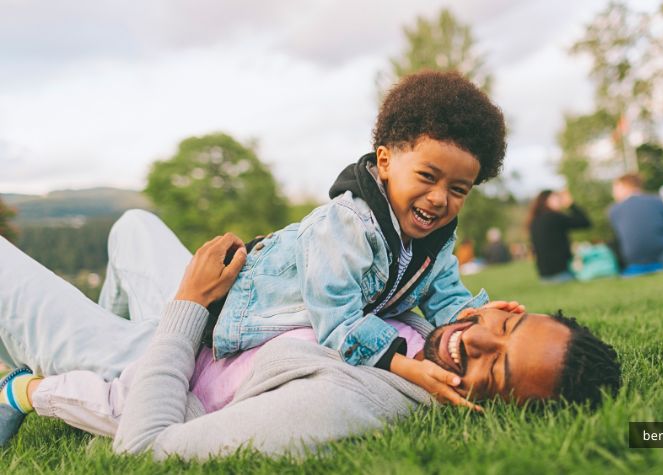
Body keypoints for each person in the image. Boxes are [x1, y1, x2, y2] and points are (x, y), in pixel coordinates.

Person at [0, 212, 622, 458]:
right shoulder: (435, 329)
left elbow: (146, 449)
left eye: (499, 371)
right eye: (506, 325)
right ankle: (99, 332)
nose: (478, 342)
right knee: (133, 225)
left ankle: (79, 363)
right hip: (211, 329)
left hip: (162, 363)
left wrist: (187, 305)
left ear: (496, 410)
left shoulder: (347, 404)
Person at [205, 70, 511, 408]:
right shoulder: (347, 224)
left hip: (313, 323)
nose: (439, 199)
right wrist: (407, 368)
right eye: (427, 176)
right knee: (335, 370)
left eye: (457, 189)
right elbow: (338, 320)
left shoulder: (435, 240)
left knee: (393, 335)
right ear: (385, 162)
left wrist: (478, 317)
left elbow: (445, 297)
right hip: (243, 316)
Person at [527, 190, 591, 283]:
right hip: (561, 274)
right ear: (546, 201)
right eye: (556, 198)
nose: (560, 201)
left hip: (544, 278)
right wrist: (571, 204)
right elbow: (585, 223)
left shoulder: (534, 222)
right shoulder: (555, 217)